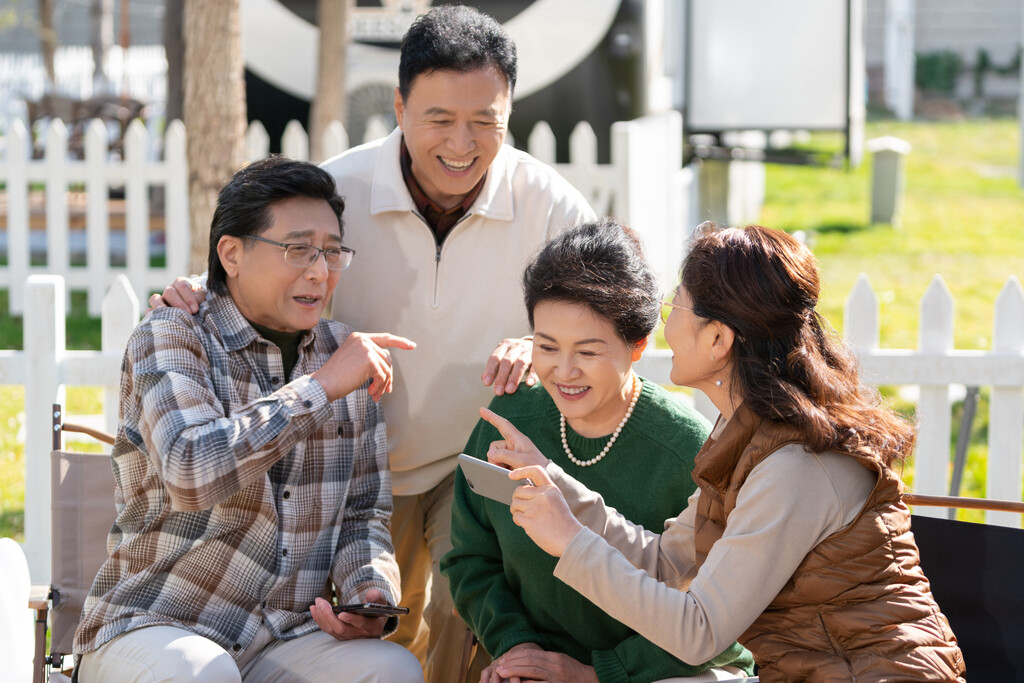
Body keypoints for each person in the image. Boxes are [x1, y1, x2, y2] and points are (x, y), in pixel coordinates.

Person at [154, 7, 595, 681]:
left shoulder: (553, 206)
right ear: (398, 104)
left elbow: (603, 315)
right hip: (350, 461)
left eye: (485, 120)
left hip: (472, 454)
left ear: (510, 111)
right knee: (378, 627)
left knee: (463, 613)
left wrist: (537, 344)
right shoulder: (339, 190)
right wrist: (202, 286)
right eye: (439, 118)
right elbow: (267, 278)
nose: (462, 142)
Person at [483, 224, 966, 681]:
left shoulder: (795, 466)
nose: (664, 317)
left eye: (677, 304)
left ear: (717, 339)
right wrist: (550, 479)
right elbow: (667, 564)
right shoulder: (749, 434)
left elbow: (699, 632)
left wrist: (568, 540)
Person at [74, 157, 423, 682]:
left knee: (389, 668)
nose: (318, 271)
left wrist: (367, 592)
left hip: (282, 635)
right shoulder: (174, 334)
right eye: (297, 248)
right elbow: (191, 470)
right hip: (156, 625)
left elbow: (362, 514)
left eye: (331, 252)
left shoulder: (344, 354)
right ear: (231, 253)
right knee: (203, 671)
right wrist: (321, 387)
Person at [441, 219, 754, 683]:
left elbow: (713, 623)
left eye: (588, 352)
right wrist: (516, 649)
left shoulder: (687, 449)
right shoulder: (512, 420)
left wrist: (596, 672)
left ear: (637, 346)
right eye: (546, 346)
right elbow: (471, 558)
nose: (564, 372)